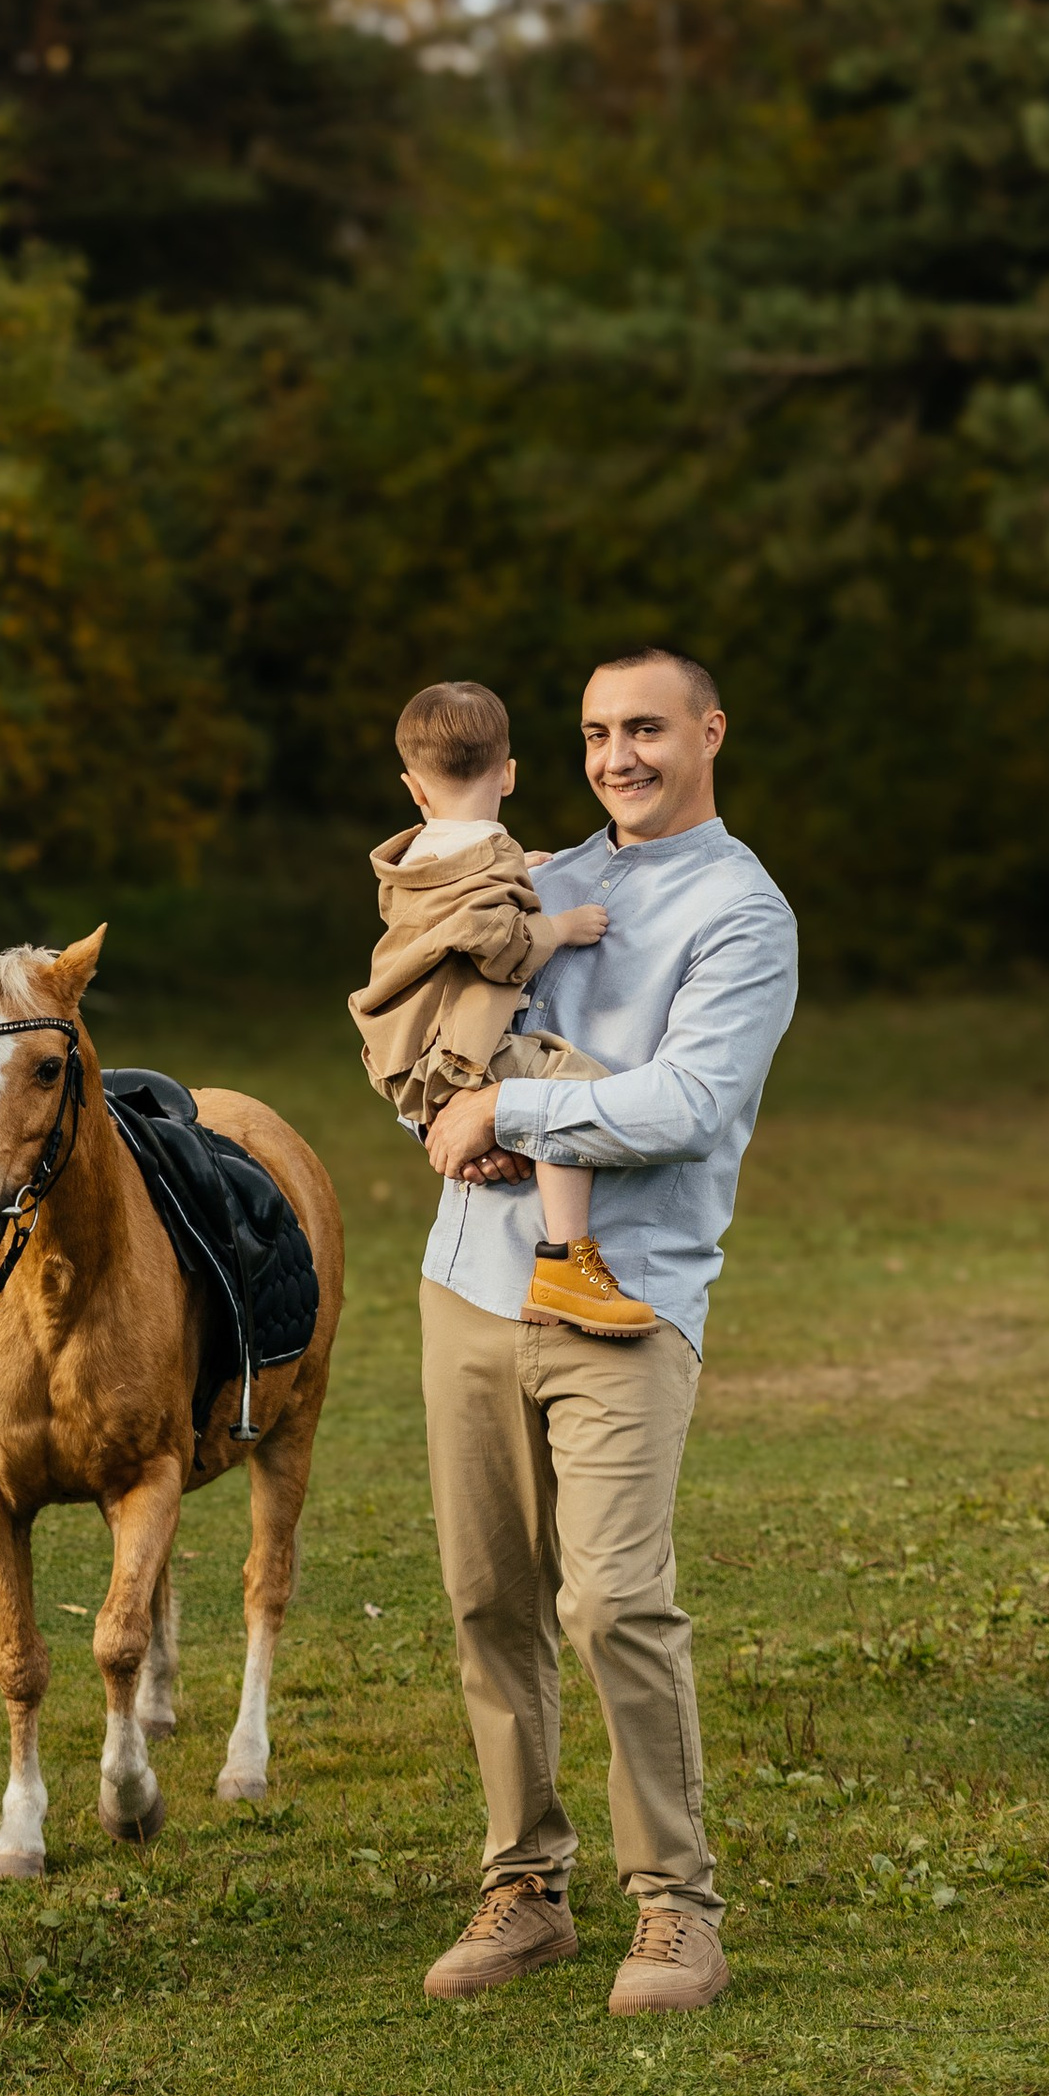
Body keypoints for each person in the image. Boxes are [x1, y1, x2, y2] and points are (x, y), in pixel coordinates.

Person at [413, 648, 796, 2018]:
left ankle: (676, 1910)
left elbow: (686, 1104)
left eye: (645, 727)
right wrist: (453, 1111)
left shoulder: (742, 915)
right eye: (594, 731)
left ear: (709, 730)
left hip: (625, 1303)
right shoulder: (535, 875)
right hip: (468, 1286)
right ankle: (525, 1888)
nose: (619, 754)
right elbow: (435, 1030)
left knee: (615, 1598)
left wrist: (510, 1118)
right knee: (486, 1599)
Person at [349, 679, 658, 1338]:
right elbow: (495, 944)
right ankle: (565, 1265)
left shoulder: (417, 859)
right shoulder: (486, 855)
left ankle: (498, 1173)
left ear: (415, 789)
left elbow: (464, 906)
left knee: (520, 1114)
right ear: (508, 774)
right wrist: (561, 926)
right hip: (456, 1049)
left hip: (404, 1051)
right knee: (571, 1091)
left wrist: (521, 871)